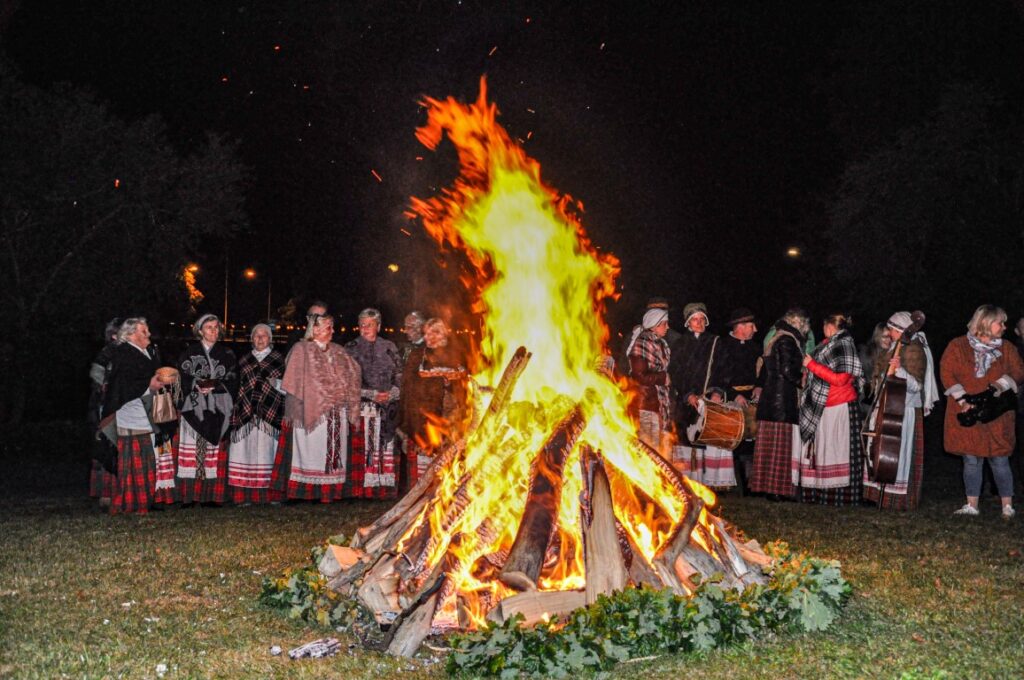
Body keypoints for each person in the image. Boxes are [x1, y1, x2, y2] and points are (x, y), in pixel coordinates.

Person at [941, 305, 1024, 518]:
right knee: (971, 459)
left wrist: (1000, 385)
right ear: (985, 323)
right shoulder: (958, 346)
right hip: (968, 411)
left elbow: (1018, 372)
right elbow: (947, 373)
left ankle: (1007, 505)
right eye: (1000, 322)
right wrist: (963, 401)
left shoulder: (1007, 348)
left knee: (1000, 459)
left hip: (997, 414)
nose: (1004, 327)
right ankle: (972, 504)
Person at [272, 312, 361, 501]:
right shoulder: (301, 349)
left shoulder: (338, 350)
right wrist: (321, 392)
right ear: (316, 329)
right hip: (309, 411)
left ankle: (330, 493)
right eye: (329, 327)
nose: (333, 331)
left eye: (332, 326)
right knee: (311, 453)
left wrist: (341, 389)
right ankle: (306, 493)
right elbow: (295, 381)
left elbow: (352, 373)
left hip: (336, 412)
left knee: (331, 453)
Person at [862, 311, 939, 510]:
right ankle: (877, 494)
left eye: (892, 330)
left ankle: (897, 499)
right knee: (880, 450)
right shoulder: (895, 347)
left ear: (900, 330)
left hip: (904, 409)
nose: (889, 333)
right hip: (888, 406)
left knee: (899, 454)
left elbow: (917, 386)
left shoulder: (914, 349)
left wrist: (900, 370)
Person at [100, 318, 175, 514]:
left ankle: (146, 500)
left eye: (148, 330)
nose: (148, 334)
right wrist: (148, 385)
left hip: (148, 413)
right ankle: (133, 502)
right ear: (131, 334)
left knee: (149, 460)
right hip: (132, 414)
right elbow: (121, 385)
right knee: (134, 463)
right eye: (144, 331)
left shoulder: (148, 352)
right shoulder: (123, 353)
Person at [796, 313, 865, 505]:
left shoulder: (844, 344)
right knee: (825, 451)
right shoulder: (827, 343)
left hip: (841, 406)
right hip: (824, 405)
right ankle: (821, 495)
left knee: (837, 451)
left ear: (830, 326)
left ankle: (841, 496)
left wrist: (812, 365)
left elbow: (841, 379)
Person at [398, 318, 469, 491]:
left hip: (451, 414)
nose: (429, 337)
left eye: (434, 332)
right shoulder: (417, 355)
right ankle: (420, 494)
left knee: (449, 453)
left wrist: (450, 383)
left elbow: (467, 383)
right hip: (423, 413)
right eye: (426, 333)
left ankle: (447, 493)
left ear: (444, 333)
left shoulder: (457, 354)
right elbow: (408, 386)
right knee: (424, 453)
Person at [175, 313, 238, 505]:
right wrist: (196, 384)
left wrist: (217, 386)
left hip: (218, 407)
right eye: (209, 327)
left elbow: (234, 378)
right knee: (192, 450)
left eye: (216, 327)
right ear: (200, 330)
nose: (213, 331)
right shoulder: (189, 352)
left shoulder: (227, 354)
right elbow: (181, 377)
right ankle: (189, 497)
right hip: (193, 407)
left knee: (212, 451)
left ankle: (211, 496)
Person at [750, 308, 809, 500]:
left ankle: (770, 488)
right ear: (799, 323)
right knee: (780, 447)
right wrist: (803, 379)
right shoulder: (788, 340)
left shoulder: (777, 337)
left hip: (771, 401)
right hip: (781, 402)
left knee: (770, 448)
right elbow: (786, 369)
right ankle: (777, 490)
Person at [345, 308, 401, 498]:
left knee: (385, 446)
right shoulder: (351, 348)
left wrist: (393, 392)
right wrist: (370, 394)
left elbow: (399, 375)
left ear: (378, 326)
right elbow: (345, 380)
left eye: (369, 325)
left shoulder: (389, 347)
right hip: (363, 407)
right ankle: (361, 490)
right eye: (361, 324)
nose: (364, 328)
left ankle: (384, 489)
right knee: (364, 448)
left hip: (388, 408)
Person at [227, 324, 285, 504]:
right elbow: (236, 386)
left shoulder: (279, 360)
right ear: (251, 339)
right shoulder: (243, 360)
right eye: (256, 336)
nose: (260, 339)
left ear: (270, 339)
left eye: (264, 335)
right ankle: (244, 497)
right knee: (246, 454)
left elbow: (289, 386)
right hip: (246, 413)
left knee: (269, 453)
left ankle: (272, 496)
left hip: (270, 413)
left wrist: (276, 384)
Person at [715, 308, 762, 492]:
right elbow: (717, 375)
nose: (756, 329)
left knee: (753, 446)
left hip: (753, 400)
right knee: (736, 444)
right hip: (732, 400)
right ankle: (735, 486)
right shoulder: (723, 346)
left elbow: (763, 371)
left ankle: (751, 487)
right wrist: (734, 395)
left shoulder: (756, 347)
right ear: (740, 327)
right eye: (752, 325)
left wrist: (759, 386)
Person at [626, 307, 672, 457]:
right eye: (665, 324)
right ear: (655, 324)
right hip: (646, 405)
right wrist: (663, 377)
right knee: (649, 452)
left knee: (661, 452)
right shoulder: (641, 344)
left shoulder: (661, 344)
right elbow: (638, 375)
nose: (668, 327)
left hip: (659, 405)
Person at [88, 317, 122, 507]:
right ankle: (106, 494)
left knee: (118, 449)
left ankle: (119, 492)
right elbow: (97, 375)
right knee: (107, 448)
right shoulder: (107, 353)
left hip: (121, 407)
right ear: (114, 335)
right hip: (106, 408)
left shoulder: (128, 353)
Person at [858, 323, 893, 406]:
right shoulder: (867, 352)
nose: (888, 340)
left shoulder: (891, 353)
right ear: (878, 336)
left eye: (890, 337)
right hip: (867, 399)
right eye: (885, 337)